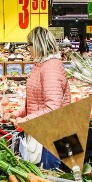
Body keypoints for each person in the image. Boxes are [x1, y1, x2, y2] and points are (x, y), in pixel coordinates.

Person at [11, 26, 71, 170]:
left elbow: (52, 108)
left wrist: (24, 121)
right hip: (43, 130)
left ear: (38, 44)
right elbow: (36, 99)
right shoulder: (42, 65)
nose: (28, 49)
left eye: (29, 45)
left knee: (49, 177)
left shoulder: (51, 68)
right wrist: (18, 113)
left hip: (52, 134)